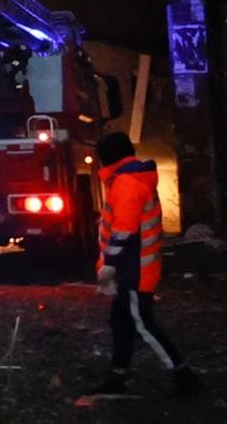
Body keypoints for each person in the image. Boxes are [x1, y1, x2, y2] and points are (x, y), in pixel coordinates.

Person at [89, 131, 199, 400]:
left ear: (107, 158)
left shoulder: (125, 183)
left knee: (141, 324)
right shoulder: (133, 179)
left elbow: (124, 231)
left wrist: (109, 266)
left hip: (133, 272)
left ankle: (184, 375)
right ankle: (117, 376)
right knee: (122, 322)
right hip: (135, 269)